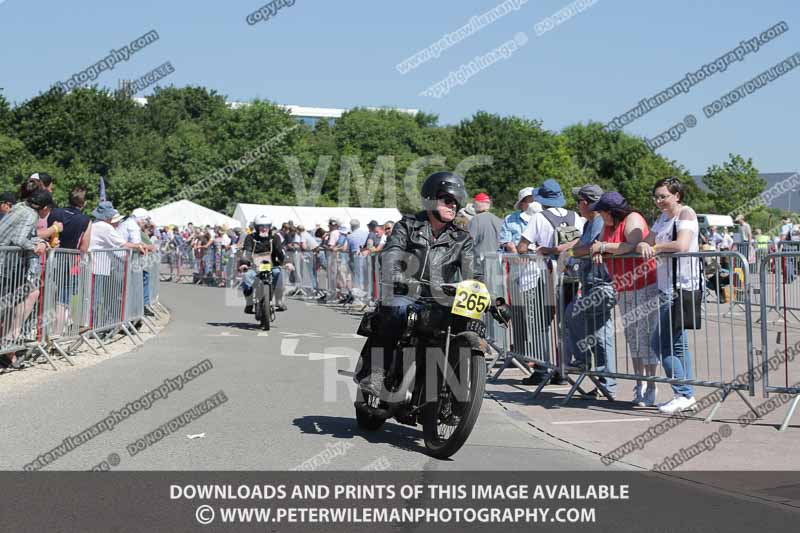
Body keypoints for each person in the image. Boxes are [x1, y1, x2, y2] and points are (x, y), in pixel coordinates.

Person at [355, 171, 482, 397]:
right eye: (447, 200)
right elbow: (392, 252)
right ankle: (376, 372)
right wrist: (396, 274)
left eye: (456, 202)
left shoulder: (462, 239)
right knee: (396, 310)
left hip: (440, 299)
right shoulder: (407, 226)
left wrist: (489, 297)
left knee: (465, 323)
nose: (453, 206)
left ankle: (453, 386)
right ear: (431, 199)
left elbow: (474, 275)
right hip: (406, 291)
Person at [589, 192, 660, 406]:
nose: (600, 216)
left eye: (602, 212)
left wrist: (603, 248)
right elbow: (599, 244)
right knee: (633, 338)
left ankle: (651, 385)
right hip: (623, 286)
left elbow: (632, 244)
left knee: (646, 337)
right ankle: (639, 383)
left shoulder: (633, 219)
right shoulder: (607, 225)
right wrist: (598, 250)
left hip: (644, 284)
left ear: (611, 211)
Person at [637, 177, 700, 414]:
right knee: (678, 344)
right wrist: (644, 245)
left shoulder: (686, 214)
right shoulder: (662, 218)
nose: (659, 201)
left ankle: (683, 393)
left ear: (677, 196)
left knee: (661, 343)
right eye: (656, 197)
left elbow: (682, 244)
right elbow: (646, 241)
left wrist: (654, 248)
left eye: (663, 196)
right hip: (666, 287)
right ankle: (686, 394)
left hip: (682, 287)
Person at [517, 179, 583, 385]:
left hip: (544, 274)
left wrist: (539, 249)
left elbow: (522, 246)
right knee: (565, 324)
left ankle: (541, 369)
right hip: (570, 274)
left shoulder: (539, 217)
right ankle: (562, 369)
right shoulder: (575, 216)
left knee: (540, 324)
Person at [560, 185, 616, 396]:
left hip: (602, 283)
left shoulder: (599, 222)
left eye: (579, 201)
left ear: (585, 202)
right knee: (596, 331)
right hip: (591, 283)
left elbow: (590, 248)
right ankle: (602, 381)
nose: (577, 205)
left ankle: (597, 374)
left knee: (582, 319)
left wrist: (569, 254)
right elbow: (583, 248)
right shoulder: (589, 223)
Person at [0, 190, 51, 369]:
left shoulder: (20, 207)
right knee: (10, 304)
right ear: (44, 207)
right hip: (4, 264)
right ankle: (7, 349)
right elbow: (19, 239)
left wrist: (41, 243)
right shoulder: (31, 214)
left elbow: (26, 235)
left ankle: (8, 350)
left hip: (6, 264)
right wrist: (36, 247)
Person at [241, 215, 286, 312]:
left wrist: (286, 263)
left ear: (270, 226)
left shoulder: (275, 237)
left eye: (266, 226)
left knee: (278, 273)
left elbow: (280, 251)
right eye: (261, 226)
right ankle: (249, 303)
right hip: (254, 266)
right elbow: (247, 251)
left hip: (271, 265)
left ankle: (279, 301)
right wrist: (244, 263)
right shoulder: (250, 237)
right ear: (256, 227)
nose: (264, 228)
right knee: (247, 277)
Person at [499, 187, 536, 254]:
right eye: (530, 201)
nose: (533, 204)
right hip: (514, 256)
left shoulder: (542, 218)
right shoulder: (509, 219)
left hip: (538, 257)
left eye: (535, 201)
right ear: (521, 203)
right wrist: (512, 249)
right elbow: (505, 241)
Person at [468, 192, 502, 260]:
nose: (474, 207)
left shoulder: (476, 219)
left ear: (477, 204)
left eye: (474, 204)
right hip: (497, 261)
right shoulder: (499, 220)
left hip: (480, 261)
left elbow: (469, 243)